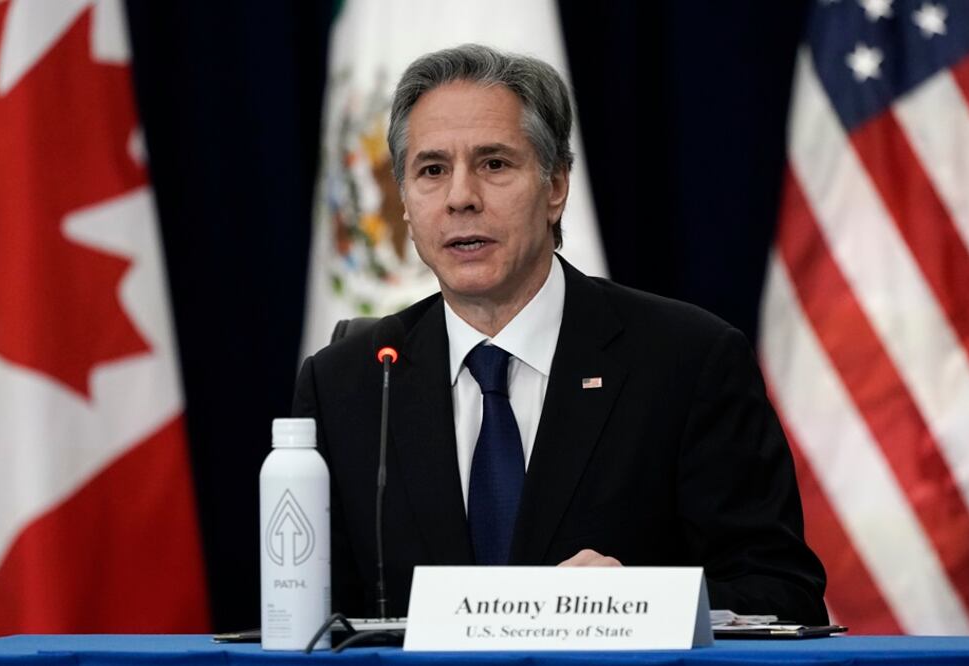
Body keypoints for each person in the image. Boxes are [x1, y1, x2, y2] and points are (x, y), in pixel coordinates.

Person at [292, 44, 827, 624]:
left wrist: (642, 601)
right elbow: (307, 618)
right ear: (405, 202)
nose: (461, 197)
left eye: (494, 164)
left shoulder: (688, 361)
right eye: (432, 170)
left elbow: (784, 594)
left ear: (555, 187)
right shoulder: (349, 384)